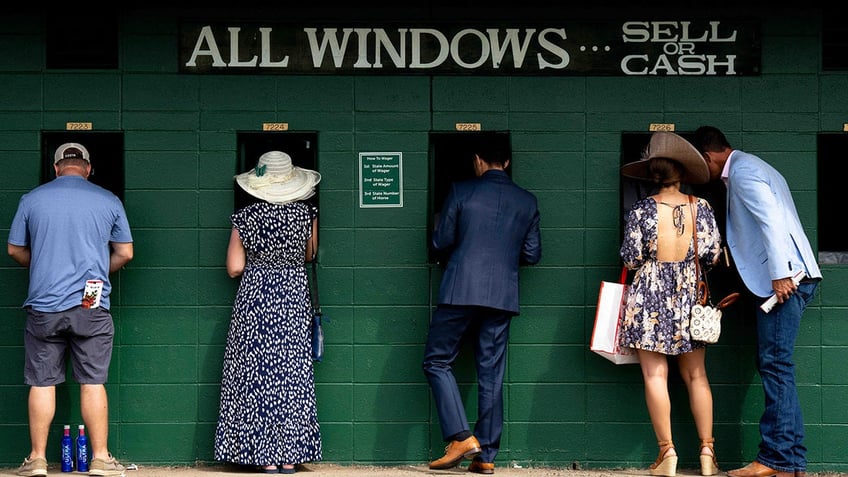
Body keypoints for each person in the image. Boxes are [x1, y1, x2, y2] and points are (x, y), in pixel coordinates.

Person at [692, 126, 822, 477]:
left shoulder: (745, 173)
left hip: (786, 280)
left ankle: (775, 460)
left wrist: (779, 274)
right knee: (778, 365)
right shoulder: (755, 167)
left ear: (709, 156)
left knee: (775, 365)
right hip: (793, 276)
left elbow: (772, 223)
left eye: (698, 164)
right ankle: (790, 461)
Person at [7, 142, 134, 477]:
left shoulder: (32, 200)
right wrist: (97, 272)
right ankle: (101, 459)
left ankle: (36, 459)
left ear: (56, 168)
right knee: (92, 381)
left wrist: (43, 267)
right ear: (88, 168)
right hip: (90, 300)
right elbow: (125, 253)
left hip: (44, 301)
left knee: (42, 382)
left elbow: (14, 249)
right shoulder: (108, 200)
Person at [423, 142, 542, 475]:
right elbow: (532, 254)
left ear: (477, 160)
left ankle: (461, 437)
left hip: (460, 290)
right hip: (501, 295)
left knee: (436, 360)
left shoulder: (461, 191)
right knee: (491, 374)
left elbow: (441, 241)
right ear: (506, 161)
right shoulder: (527, 201)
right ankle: (486, 455)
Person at [618, 131, 722, 477]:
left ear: (653, 174)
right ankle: (707, 451)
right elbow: (710, 255)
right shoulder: (701, 208)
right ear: (683, 173)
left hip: (649, 295)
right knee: (696, 375)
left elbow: (631, 258)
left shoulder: (642, 210)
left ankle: (667, 454)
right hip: (691, 294)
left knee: (655, 374)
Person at [214, 150, 322, 475]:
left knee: (255, 374)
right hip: (292, 295)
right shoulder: (306, 214)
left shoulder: (245, 216)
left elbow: (235, 267)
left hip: (256, 297)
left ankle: (262, 456)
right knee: (292, 375)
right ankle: (290, 455)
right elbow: (309, 254)